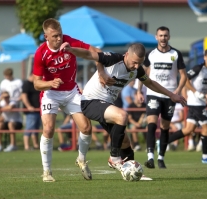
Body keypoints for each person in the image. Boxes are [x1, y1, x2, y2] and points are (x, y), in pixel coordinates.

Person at [61, 42, 186, 179]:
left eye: (140, 63)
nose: (136, 66)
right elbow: (90, 54)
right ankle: (114, 158)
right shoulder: (113, 59)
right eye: (134, 62)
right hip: (90, 101)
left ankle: (135, 172)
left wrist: (172, 95)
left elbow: (150, 83)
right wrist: (71, 50)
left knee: (125, 141)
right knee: (122, 115)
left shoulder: (137, 70)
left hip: (106, 104)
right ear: (127, 55)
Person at [32, 18, 109, 182]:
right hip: (50, 93)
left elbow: (96, 51)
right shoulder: (40, 53)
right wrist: (49, 83)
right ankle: (47, 172)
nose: (59, 39)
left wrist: (101, 70)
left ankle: (81, 160)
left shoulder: (69, 41)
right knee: (48, 129)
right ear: (46, 36)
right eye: (54, 36)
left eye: (60, 35)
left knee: (87, 128)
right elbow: (37, 84)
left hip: (71, 92)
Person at [137, 26, 187, 169]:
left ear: (169, 37)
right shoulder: (151, 54)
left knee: (165, 127)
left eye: (165, 35)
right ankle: (150, 157)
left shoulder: (176, 54)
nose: (163, 38)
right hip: (153, 93)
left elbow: (184, 75)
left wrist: (177, 91)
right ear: (156, 37)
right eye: (160, 35)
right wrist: (139, 90)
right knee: (151, 123)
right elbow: (143, 73)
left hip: (170, 95)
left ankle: (161, 158)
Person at [168, 47, 207, 164]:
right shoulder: (198, 68)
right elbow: (185, 79)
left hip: (201, 102)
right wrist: (195, 92)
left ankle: (163, 141)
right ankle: (205, 157)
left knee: (188, 130)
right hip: (195, 102)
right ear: (205, 57)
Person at [21, 73, 40, 151]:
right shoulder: (26, 84)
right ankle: (26, 146)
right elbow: (23, 96)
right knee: (29, 128)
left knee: (36, 128)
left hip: (38, 110)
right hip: (31, 111)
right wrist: (28, 106)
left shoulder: (36, 84)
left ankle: (36, 145)